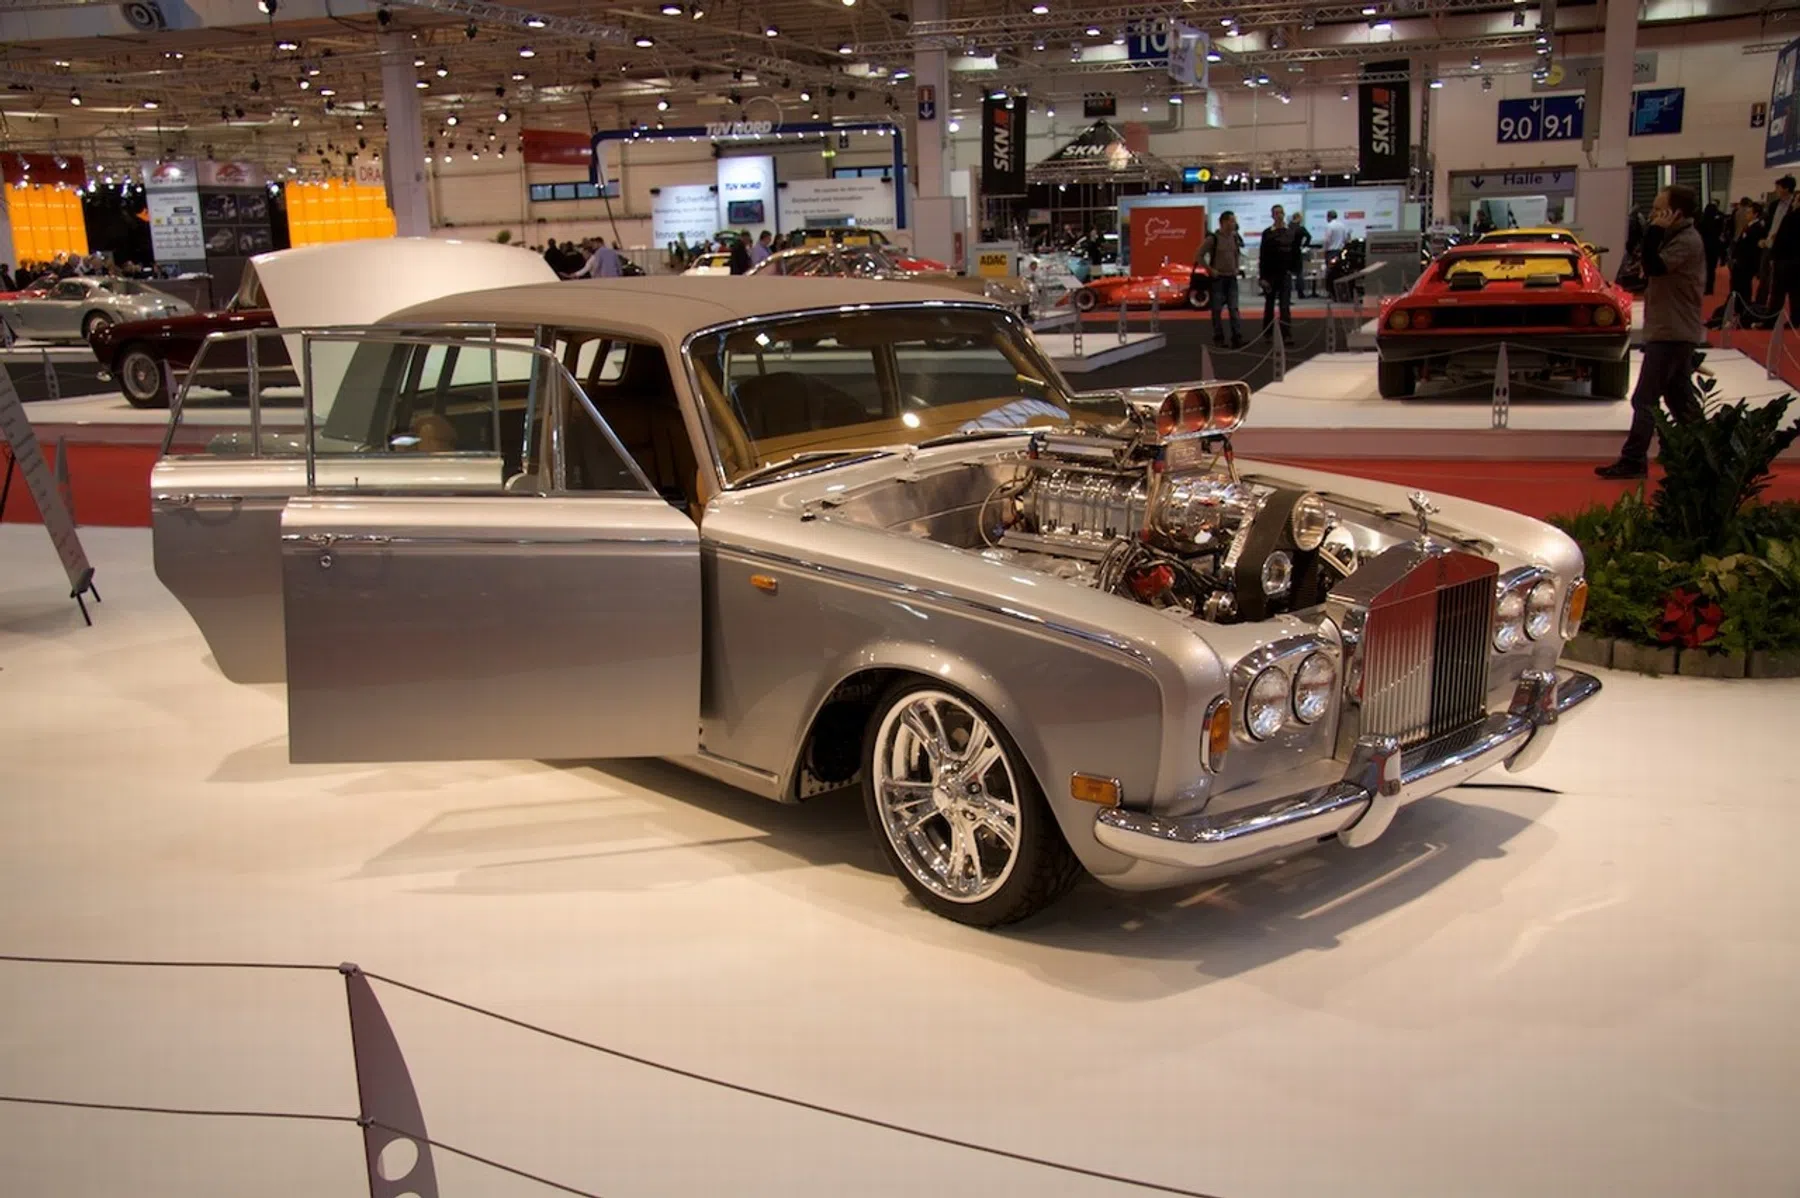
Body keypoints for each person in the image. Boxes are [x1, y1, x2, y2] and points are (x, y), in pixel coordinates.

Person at [1597, 185, 1707, 480]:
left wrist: (1654, 232)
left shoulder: (1686, 241)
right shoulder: (1676, 238)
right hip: (1669, 328)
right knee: (1680, 400)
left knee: (1645, 399)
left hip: (1673, 332)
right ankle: (1708, 452)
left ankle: (1633, 460)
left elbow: (1655, 266)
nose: (1653, 215)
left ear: (1675, 213)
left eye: (1659, 210)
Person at [1197, 212, 1245, 349]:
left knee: (1234, 309)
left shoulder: (1234, 237)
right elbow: (1199, 255)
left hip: (1231, 278)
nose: (1234, 223)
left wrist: (1236, 267)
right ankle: (1219, 338)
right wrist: (1210, 270)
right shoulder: (1213, 239)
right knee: (1217, 310)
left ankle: (1237, 337)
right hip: (1218, 279)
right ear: (1223, 222)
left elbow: (1236, 254)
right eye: (1231, 221)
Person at [1762, 176, 1800, 325]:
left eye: (1778, 187)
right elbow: (1769, 224)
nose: (1776, 190)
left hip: (1787, 253)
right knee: (1767, 281)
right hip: (1771, 246)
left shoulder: (1792, 212)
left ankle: (1788, 318)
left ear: (1786, 188)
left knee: (1785, 288)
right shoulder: (1774, 206)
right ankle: (1767, 313)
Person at [1258, 204, 1296, 345]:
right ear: (1272, 216)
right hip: (1270, 275)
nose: (1279, 215)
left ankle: (1287, 335)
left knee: (1285, 306)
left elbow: (1294, 253)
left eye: (1281, 212)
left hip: (1285, 274)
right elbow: (1263, 256)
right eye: (1276, 213)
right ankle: (1267, 334)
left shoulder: (1290, 232)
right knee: (1269, 305)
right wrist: (1262, 277)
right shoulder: (1267, 233)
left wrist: (1293, 269)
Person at [1699, 199, 1725, 295]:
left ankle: (1704, 286)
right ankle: (1710, 288)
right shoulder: (1719, 220)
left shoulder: (1703, 221)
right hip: (1714, 247)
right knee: (1711, 269)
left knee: (1704, 268)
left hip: (1704, 247)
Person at [1321, 209, 1350, 273]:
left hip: (1331, 252)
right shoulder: (1342, 226)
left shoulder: (1329, 226)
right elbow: (1345, 239)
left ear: (1328, 217)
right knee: (1339, 270)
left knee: (1330, 271)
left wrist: (1324, 250)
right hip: (1340, 252)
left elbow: (1327, 240)